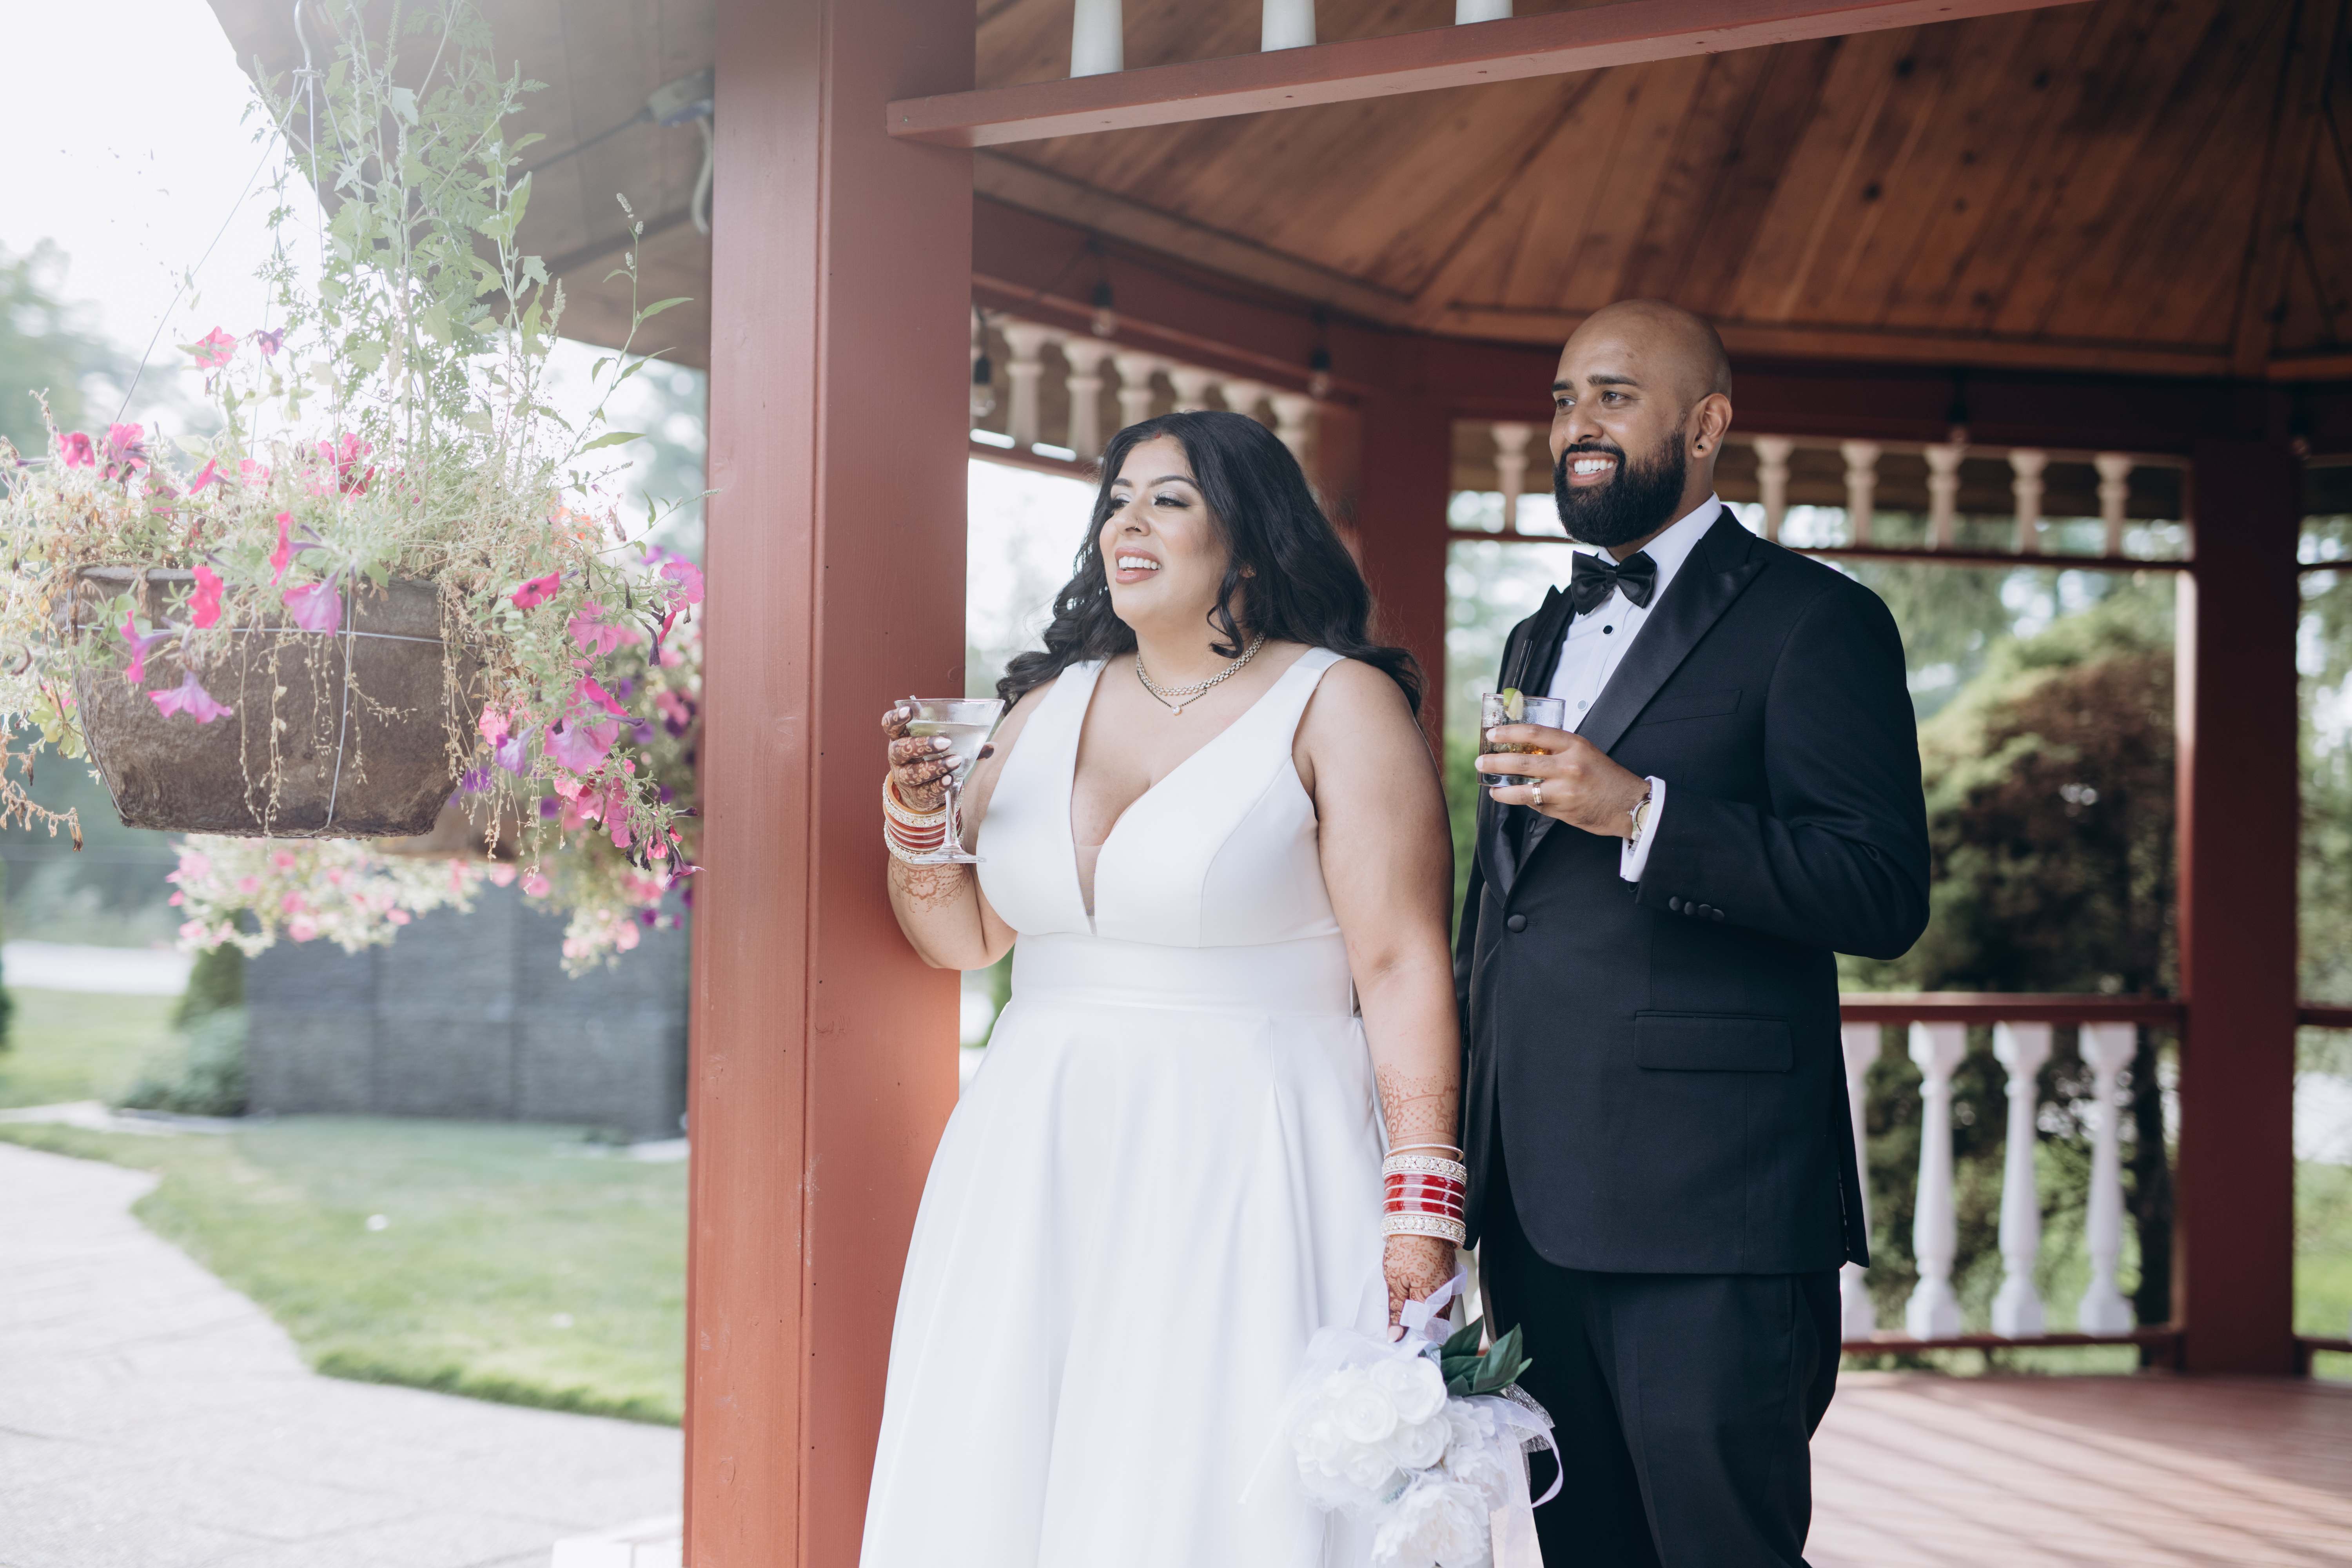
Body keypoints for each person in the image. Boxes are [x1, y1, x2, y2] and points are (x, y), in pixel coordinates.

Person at [860, 410, 1462, 1568]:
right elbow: (963, 938)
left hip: (1253, 1147)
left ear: (1249, 540)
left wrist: (1422, 1209)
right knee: (1008, 1459)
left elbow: (1399, 965)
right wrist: (916, 823)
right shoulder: (1040, 707)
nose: (1127, 524)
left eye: (1169, 500)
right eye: (1117, 501)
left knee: (1203, 1462)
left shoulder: (1339, 704)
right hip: (1035, 1149)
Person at [1460, 300, 1931, 1567]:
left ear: (1708, 425)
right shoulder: (1538, 632)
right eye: (1564, 399)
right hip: (1532, 1203)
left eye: (1613, 395)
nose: (1578, 424)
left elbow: (1880, 890)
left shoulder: (1817, 620)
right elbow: (1504, 910)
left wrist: (1644, 813)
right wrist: (1449, 1157)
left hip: (1713, 1213)